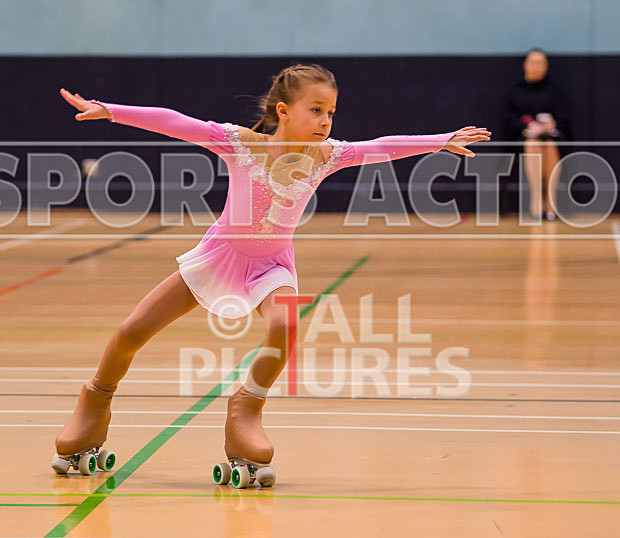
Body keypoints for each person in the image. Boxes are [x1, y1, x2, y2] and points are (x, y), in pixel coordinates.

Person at [51, 63, 490, 486]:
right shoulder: (240, 144)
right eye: (315, 109)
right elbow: (175, 122)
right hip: (220, 254)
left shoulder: (326, 156)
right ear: (284, 111)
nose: (325, 120)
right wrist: (111, 111)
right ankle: (94, 405)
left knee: (285, 326)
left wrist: (440, 140)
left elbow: (382, 146)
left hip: (272, 266)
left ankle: (245, 411)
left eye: (331, 112)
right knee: (133, 330)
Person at [505, 48, 571, 220]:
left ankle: (550, 201)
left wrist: (552, 123)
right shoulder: (515, 90)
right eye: (533, 63)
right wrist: (527, 124)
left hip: (550, 138)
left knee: (549, 145)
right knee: (534, 145)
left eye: (541, 63)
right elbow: (509, 117)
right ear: (525, 65)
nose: (537, 67)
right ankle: (536, 200)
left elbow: (564, 117)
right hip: (523, 139)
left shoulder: (555, 90)